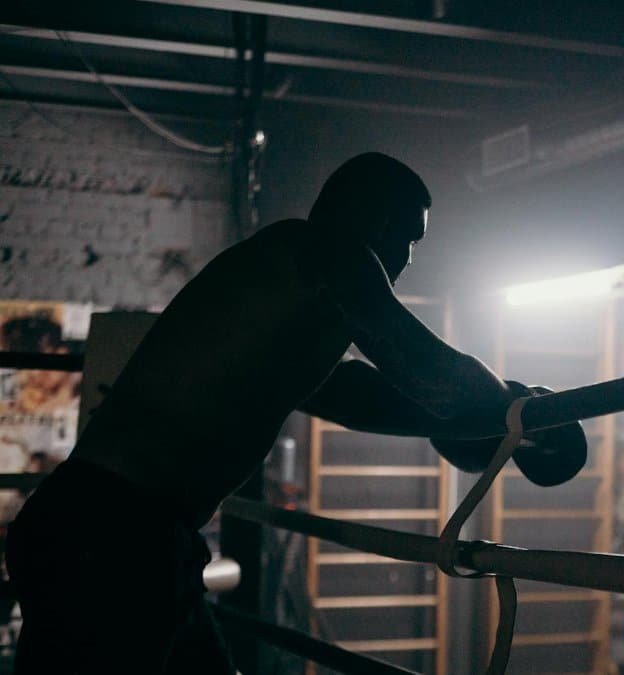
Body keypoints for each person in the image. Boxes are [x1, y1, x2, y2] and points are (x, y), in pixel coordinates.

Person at [4, 152, 585, 674]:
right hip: (111, 539)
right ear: (378, 221)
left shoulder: (287, 287)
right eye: (409, 238)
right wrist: (518, 406)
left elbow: (353, 395)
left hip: (125, 534)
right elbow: (428, 369)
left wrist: (483, 418)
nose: (407, 260)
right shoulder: (325, 255)